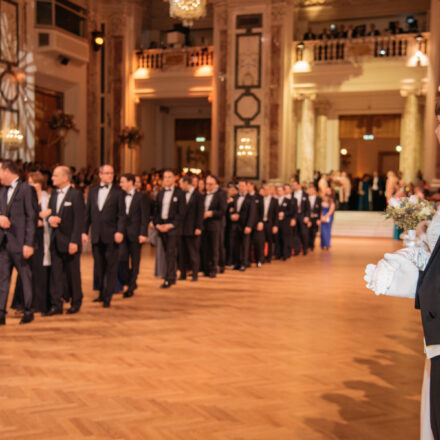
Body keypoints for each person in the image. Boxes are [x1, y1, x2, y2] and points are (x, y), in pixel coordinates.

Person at [0, 159, 38, 325]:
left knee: (25, 279)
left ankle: (28, 311)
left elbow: (31, 217)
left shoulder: (26, 189)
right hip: (4, 243)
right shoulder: (1, 191)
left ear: (7, 171)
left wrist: (28, 243)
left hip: (21, 243)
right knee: (2, 279)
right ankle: (1, 312)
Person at [83, 164, 126, 307]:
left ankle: (108, 296)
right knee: (99, 266)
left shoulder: (119, 192)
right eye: (107, 173)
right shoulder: (93, 191)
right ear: (100, 175)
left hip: (112, 235)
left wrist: (120, 231)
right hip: (96, 235)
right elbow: (88, 214)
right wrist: (84, 231)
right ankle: (101, 293)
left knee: (111, 267)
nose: (110, 175)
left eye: (111, 173)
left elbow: (121, 215)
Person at [46, 166, 85, 315]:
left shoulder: (76, 195)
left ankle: (76, 301)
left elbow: (79, 219)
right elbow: (50, 211)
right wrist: (51, 219)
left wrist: (75, 241)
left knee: (73, 273)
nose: (52, 178)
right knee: (55, 274)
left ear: (65, 178)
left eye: (55, 176)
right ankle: (56, 304)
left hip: (70, 241)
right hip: (56, 240)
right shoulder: (54, 194)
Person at [12, 171, 51, 314]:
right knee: (26, 271)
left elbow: (53, 215)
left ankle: (40, 304)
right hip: (29, 237)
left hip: (43, 238)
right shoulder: (24, 198)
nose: (32, 186)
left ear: (40, 184)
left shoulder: (48, 198)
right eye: (29, 183)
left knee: (40, 271)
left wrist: (44, 219)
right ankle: (22, 304)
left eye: (34, 183)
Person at [152, 169, 185, 288]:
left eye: (169, 177)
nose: (167, 179)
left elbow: (181, 213)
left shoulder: (180, 193)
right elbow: (156, 211)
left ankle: (169, 278)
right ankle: (170, 275)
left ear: (175, 178)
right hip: (161, 226)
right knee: (166, 253)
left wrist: (170, 225)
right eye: (165, 177)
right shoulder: (160, 193)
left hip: (173, 227)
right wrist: (157, 224)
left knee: (171, 252)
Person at [119, 173, 149, 297]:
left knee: (135, 261)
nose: (120, 184)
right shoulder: (119, 196)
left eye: (122, 182)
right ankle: (129, 279)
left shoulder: (141, 197)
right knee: (122, 259)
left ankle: (131, 286)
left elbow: (144, 217)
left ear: (130, 182)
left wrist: (143, 233)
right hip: (122, 234)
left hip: (136, 234)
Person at [178, 175, 204, 282]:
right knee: (182, 253)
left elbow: (200, 212)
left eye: (180, 183)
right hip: (181, 228)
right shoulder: (181, 194)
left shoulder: (198, 195)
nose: (179, 186)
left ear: (186, 183)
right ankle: (183, 273)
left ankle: (195, 274)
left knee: (193, 252)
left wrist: (199, 227)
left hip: (193, 228)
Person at [201, 175, 226, 278]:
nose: (208, 186)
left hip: (215, 224)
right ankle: (206, 270)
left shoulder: (221, 194)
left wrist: (210, 213)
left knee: (215, 248)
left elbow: (222, 211)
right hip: (204, 225)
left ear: (216, 184)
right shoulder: (204, 195)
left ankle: (214, 269)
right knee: (205, 248)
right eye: (207, 184)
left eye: (210, 184)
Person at [230, 180, 256, 271]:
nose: (241, 187)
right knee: (235, 245)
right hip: (235, 225)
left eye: (242, 186)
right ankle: (237, 263)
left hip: (245, 225)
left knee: (245, 246)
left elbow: (252, 214)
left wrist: (249, 226)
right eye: (239, 186)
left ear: (246, 187)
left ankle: (244, 263)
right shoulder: (236, 197)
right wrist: (232, 215)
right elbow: (232, 209)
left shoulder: (251, 198)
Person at [247, 181, 264, 268]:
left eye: (248, 185)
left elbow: (262, 211)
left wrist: (261, 222)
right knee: (247, 243)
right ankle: (248, 260)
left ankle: (259, 260)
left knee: (258, 243)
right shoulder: (246, 197)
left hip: (257, 223)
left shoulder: (259, 197)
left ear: (252, 186)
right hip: (247, 224)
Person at [261, 184, 279, 263]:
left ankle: (269, 257)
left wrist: (275, 225)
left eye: (268, 189)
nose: (266, 191)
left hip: (270, 223)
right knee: (261, 240)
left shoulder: (274, 201)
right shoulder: (260, 199)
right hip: (262, 223)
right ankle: (262, 257)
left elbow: (276, 214)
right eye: (265, 189)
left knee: (269, 240)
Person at [292, 181, 311, 255]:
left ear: (299, 185)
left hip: (302, 215)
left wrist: (307, 216)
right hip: (295, 215)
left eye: (295, 185)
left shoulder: (305, 194)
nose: (294, 187)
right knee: (295, 232)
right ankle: (297, 249)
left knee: (304, 232)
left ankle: (305, 248)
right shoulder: (292, 194)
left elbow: (308, 207)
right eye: (293, 185)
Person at [275, 185, 294, 260]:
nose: (279, 192)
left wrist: (284, 213)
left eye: (280, 190)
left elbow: (291, 211)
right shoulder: (275, 200)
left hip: (285, 222)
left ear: (283, 191)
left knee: (285, 238)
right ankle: (278, 254)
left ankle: (285, 254)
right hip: (277, 222)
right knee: (277, 238)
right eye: (278, 191)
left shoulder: (288, 200)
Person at [307, 183, 322, 251]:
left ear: (315, 191)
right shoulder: (306, 199)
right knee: (308, 232)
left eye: (312, 190)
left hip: (315, 218)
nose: (310, 192)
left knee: (314, 232)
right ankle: (308, 244)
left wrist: (319, 219)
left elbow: (320, 210)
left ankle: (312, 245)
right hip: (308, 218)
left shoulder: (319, 199)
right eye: (309, 190)